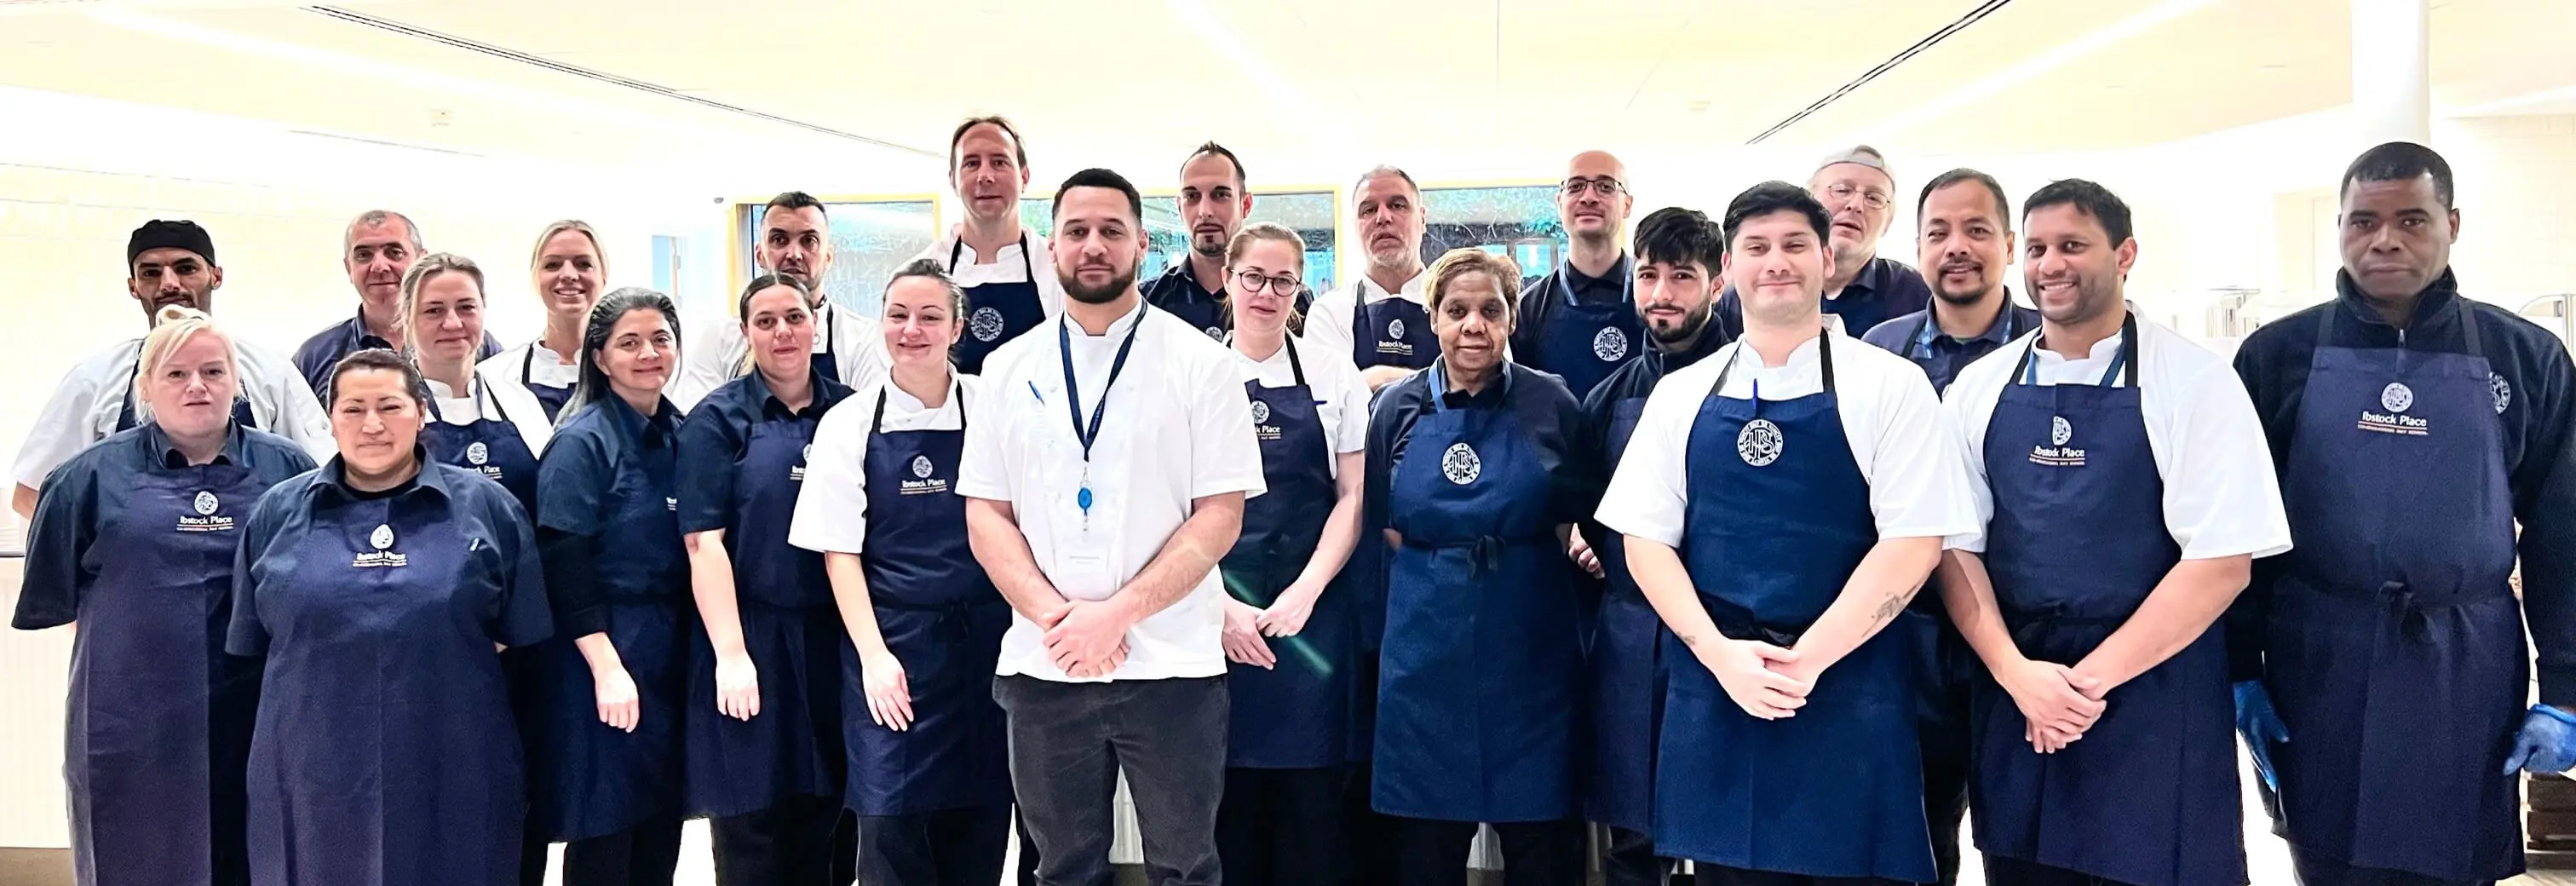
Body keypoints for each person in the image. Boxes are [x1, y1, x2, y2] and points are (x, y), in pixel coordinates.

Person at [1596, 181, 1973, 885]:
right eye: (1757, 247)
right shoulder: (1684, 394)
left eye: (1795, 245)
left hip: (1849, 686)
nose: (1777, 262)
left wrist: (1806, 662)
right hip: (1716, 685)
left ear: (1828, 260)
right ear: (1731, 269)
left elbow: (1915, 544)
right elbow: (1644, 540)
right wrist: (1719, 654)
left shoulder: (1890, 386)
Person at [2231, 141, 2576, 886]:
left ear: (2453, 224)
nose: (2384, 239)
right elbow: (2237, 532)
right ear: (2342, 229)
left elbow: (2563, 535)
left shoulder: (2527, 358)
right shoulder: (2276, 356)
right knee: (2326, 857)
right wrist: (2238, 668)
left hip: (2464, 660)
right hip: (2317, 656)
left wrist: (2568, 693)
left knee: (2453, 861)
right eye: (2363, 222)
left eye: (2411, 220)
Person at [1937, 179, 2288, 886]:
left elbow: (2221, 562)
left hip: (2153, 693)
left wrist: (2082, 688)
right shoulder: (1978, 388)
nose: (2050, 265)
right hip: (2019, 687)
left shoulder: (2195, 382)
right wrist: (2019, 676)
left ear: (2125, 254)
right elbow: (1953, 547)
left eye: (2073, 246)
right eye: (2036, 249)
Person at [959, 168, 1265, 886]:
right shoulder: (1006, 369)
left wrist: (1118, 615)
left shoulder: (1202, 366)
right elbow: (986, 513)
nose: (1093, 246)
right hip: (1046, 665)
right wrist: (1060, 621)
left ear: (1140, 242)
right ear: (1053, 246)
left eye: (1111, 231)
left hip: (1173, 669)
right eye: (1076, 231)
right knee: (1062, 867)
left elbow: (1220, 516)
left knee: (1186, 865)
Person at [14, 306, 318, 886]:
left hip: (257, 713)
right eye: (176, 374)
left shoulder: (292, 472)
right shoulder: (84, 479)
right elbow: (58, 595)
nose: (196, 386)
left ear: (238, 383)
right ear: (145, 388)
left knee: (259, 855)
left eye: (212, 371)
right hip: (129, 719)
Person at [227, 348, 549, 886]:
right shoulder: (277, 514)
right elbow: (253, 641)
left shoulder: (489, 508)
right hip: (312, 766)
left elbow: (519, 638)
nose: (371, 424)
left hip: (452, 758)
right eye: (353, 409)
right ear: (330, 420)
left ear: (422, 413)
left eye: (390, 407)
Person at [1364, 247, 1595, 885]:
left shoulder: (1552, 403)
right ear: (1433, 319)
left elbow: (1577, 511)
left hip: (1531, 651)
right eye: (1457, 311)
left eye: (1491, 310)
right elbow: (1381, 523)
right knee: (1426, 850)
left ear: (1512, 319)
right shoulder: (1397, 408)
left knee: (1542, 846)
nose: (1474, 326)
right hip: (1424, 658)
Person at [790, 260, 1015, 886]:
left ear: (957, 328)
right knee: (891, 827)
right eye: (897, 315)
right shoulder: (850, 424)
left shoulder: (994, 409)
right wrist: (874, 657)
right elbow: (840, 553)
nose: (911, 329)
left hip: (987, 651)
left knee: (980, 823)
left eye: (929, 316)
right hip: (894, 649)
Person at [1854, 167, 2041, 886]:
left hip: (2024, 625)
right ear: (1918, 245)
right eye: (1939, 233)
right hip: (1908, 633)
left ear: (2008, 244)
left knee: (2024, 830)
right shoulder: (1881, 350)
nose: (1956, 247)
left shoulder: (2045, 342)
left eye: (1976, 231)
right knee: (1919, 828)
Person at [674, 273, 854, 883]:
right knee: (754, 820)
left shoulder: (852, 412)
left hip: (836, 641)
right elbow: (704, 543)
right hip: (750, 638)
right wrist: (731, 653)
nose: (784, 332)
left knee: (831, 816)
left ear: (816, 324)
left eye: (795, 318)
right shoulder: (716, 421)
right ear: (746, 332)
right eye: (767, 321)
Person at [1209, 222, 1371, 886]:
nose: (1267, 294)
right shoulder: (1193, 372)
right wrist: (1218, 608)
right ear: (1228, 279)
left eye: (1284, 281)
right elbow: (1167, 510)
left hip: (1313, 619)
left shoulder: (1333, 374)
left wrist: (1304, 592)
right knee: (1229, 816)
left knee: (1313, 819)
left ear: (1299, 289)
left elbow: (1353, 496)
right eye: (1254, 278)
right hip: (1212, 622)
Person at [1573, 206, 1731, 886]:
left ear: (1718, 282)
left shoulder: (1750, 385)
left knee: (1728, 827)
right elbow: (1584, 506)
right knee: (1633, 832)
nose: (1662, 293)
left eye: (1683, 276)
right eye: (1649, 275)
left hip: (1730, 630)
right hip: (1633, 634)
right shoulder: (1608, 398)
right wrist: (1589, 546)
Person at [520, 288, 692, 886]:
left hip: (669, 648)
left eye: (661, 339)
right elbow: (562, 556)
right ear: (600, 357)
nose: (649, 353)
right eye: (630, 342)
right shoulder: (582, 441)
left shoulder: (680, 431)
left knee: (660, 821)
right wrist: (605, 665)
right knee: (607, 825)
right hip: (605, 647)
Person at [13, 219, 331, 520]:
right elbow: (31, 493)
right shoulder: (93, 380)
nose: (169, 284)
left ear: (216, 276)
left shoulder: (272, 373)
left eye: (186, 268)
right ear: (133, 286)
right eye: (150, 273)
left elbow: (323, 478)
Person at [673, 193, 888, 410]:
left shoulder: (865, 341)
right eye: (779, 240)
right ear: (759, 254)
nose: (794, 254)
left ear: (828, 257)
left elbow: (871, 424)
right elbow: (700, 421)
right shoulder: (719, 338)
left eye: (809, 241)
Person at [1715, 147, 1934, 341]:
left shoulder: (1916, 295)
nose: (1856, 205)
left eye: (1874, 198)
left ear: (1889, 221)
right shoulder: (1745, 294)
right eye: (1842, 190)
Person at [400, 253, 555, 513]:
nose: (452, 323)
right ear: (407, 319)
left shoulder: (519, 400)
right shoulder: (392, 408)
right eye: (434, 310)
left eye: (466, 307)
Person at [293, 210, 502, 397]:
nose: (379, 266)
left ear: (421, 261)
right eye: (364, 255)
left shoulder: (474, 345)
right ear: (349, 267)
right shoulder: (315, 358)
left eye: (394, 253)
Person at [922, 116, 1066, 375]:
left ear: (1024, 177)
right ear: (953, 180)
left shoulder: (1058, 270)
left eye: (999, 162)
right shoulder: (923, 273)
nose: (985, 176)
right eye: (972, 163)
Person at [1512, 150, 1644, 400]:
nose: (1589, 197)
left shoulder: (1655, 296)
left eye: (1606, 186)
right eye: (1576, 186)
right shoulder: (1527, 309)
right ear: (1560, 202)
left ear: (1627, 205)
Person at [1306, 165, 1438, 393]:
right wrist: (1440, 384)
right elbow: (1331, 401)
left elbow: (1485, 389)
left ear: (1423, 219)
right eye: (1368, 210)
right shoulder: (1329, 313)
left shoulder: (1461, 306)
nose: (1383, 218)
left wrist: (1376, 379)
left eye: (1398, 206)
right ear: (1355, 227)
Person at [484, 220, 609, 422]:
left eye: (583, 264)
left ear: (603, 277)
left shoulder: (630, 372)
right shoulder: (494, 376)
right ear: (536, 278)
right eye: (553, 265)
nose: (568, 274)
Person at [1145, 142, 1263, 339]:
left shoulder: (1288, 300)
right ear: (1180, 207)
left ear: (1246, 204)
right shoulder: (1147, 303)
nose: (1205, 212)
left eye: (1221, 195)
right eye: (1192, 196)